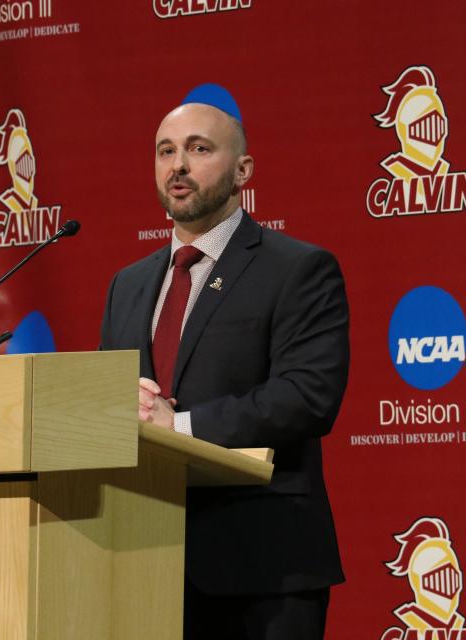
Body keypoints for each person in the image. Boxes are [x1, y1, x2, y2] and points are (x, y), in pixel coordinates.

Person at [99, 83, 350, 640]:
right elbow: (115, 398)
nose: (178, 165)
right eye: (165, 151)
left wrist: (177, 428)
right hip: (144, 563)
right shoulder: (129, 284)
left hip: (262, 567)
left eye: (199, 149)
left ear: (243, 171)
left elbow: (306, 397)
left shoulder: (297, 270)